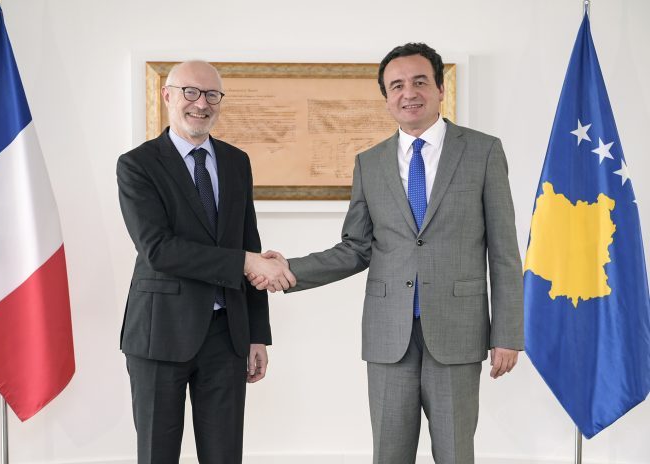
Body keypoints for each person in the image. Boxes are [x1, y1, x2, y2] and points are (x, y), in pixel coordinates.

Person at [250, 43, 523, 463]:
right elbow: (356, 248)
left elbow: (504, 252)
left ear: (440, 89)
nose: (408, 92)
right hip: (388, 335)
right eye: (396, 86)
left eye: (419, 82)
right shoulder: (370, 163)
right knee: (390, 455)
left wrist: (507, 334)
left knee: (455, 453)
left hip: (458, 332)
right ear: (386, 97)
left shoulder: (483, 151)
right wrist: (289, 270)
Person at [117, 60, 294, 464]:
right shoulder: (137, 164)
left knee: (224, 456)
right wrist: (245, 261)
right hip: (159, 333)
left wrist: (256, 334)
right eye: (190, 92)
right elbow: (158, 249)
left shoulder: (236, 161)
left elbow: (250, 244)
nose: (201, 104)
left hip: (225, 335)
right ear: (167, 96)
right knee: (157, 456)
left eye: (212, 95)